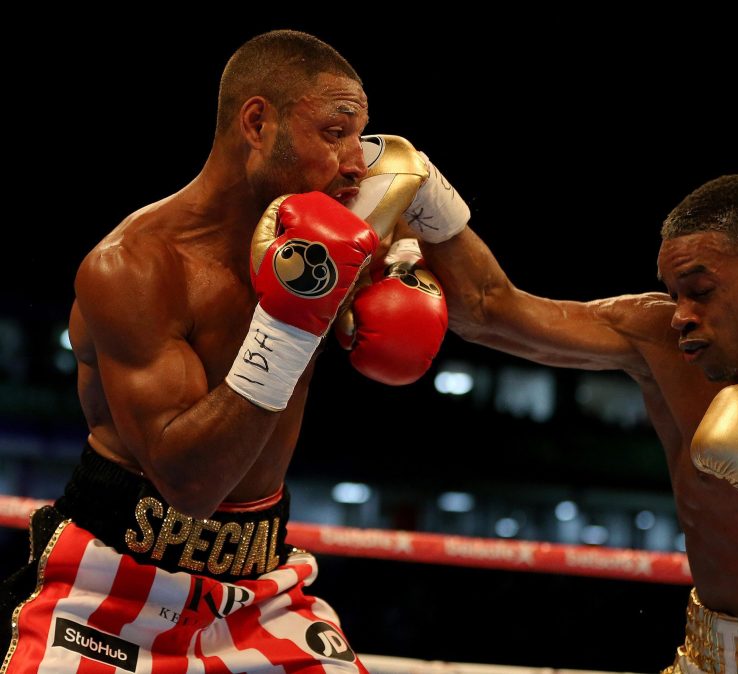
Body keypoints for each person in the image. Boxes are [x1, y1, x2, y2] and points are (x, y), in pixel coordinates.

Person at [397, 161, 738, 672]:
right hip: (711, 660)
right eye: (673, 294)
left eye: (701, 291)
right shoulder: (658, 339)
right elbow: (490, 310)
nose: (682, 316)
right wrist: (424, 193)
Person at [0, 31, 445, 672]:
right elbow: (191, 486)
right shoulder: (134, 267)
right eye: (335, 131)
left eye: (360, 135)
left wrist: (439, 217)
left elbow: (493, 307)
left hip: (260, 589)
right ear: (257, 123)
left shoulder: (340, 231)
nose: (356, 161)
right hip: (107, 584)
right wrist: (294, 320)